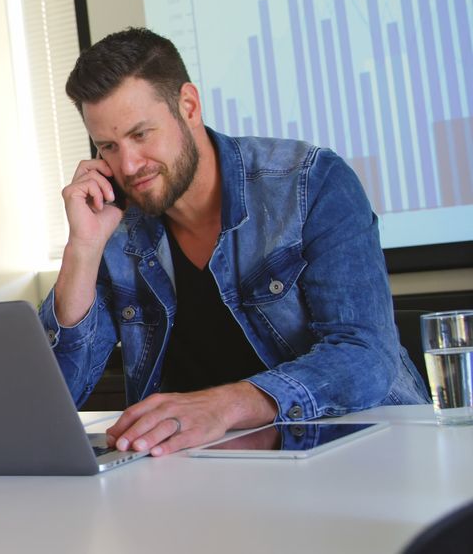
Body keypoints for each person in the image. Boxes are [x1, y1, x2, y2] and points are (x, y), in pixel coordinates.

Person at [37, 27, 428, 458]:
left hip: (356, 453)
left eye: (141, 135)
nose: (127, 165)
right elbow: (54, 398)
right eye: (108, 146)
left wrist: (225, 406)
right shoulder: (115, 223)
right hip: (196, 471)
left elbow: (365, 355)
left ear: (188, 105)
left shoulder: (311, 182)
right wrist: (83, 250)